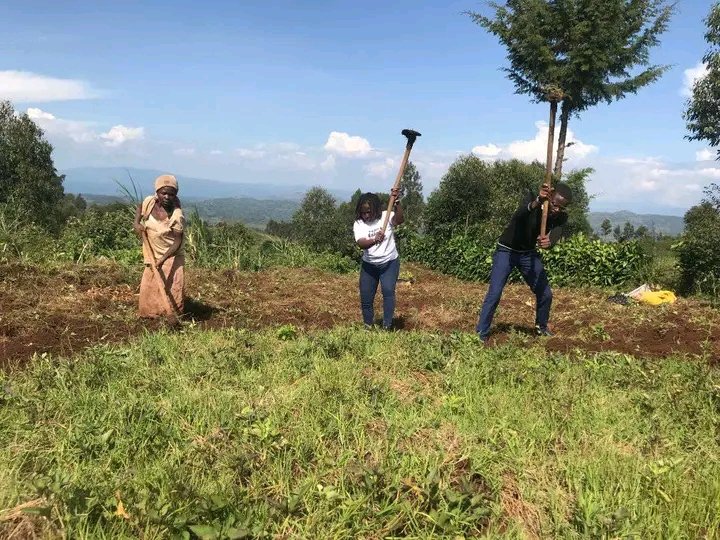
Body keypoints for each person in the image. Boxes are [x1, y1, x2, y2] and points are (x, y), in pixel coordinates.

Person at [476, 182, 573, 342]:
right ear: (549, 196)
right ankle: (481, 333)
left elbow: (557, 231)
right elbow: (518, 216)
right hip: (506, 250)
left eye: (561, 208)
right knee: (495, 293)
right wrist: (537, 201)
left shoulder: (560, 216)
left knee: (545, 293)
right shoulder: (531, 199)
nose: (557, 210)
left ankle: (542, 327)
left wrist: (549, 242)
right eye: (555, 205)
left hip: (528, 254)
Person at [133, 174, 185, 318]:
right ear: (157, 192)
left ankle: (172, 315)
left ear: (175, 195)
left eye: (171, 194)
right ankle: (150, 315)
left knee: (172, 289)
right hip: (152, 253)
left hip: (171, 256)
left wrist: (162, 259)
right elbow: (140, 207)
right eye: (164, 193)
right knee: (150, 286)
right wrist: (136, 223)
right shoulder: (150, 203)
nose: (167, 197)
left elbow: (177, 242)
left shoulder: (177, 215)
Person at [353, 188, 404, 329]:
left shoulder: (386, 216)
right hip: (369, 266)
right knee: (366, 298)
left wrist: (397, 203)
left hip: (389, 263)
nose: (366, 215)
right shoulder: (359, 224)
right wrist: (374, 240)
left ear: (375, 209)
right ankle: (368, 327)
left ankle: (387, 326)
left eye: (369, 212)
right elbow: (361, 243)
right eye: (363, 212)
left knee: (388, 292)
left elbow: (400, 220)